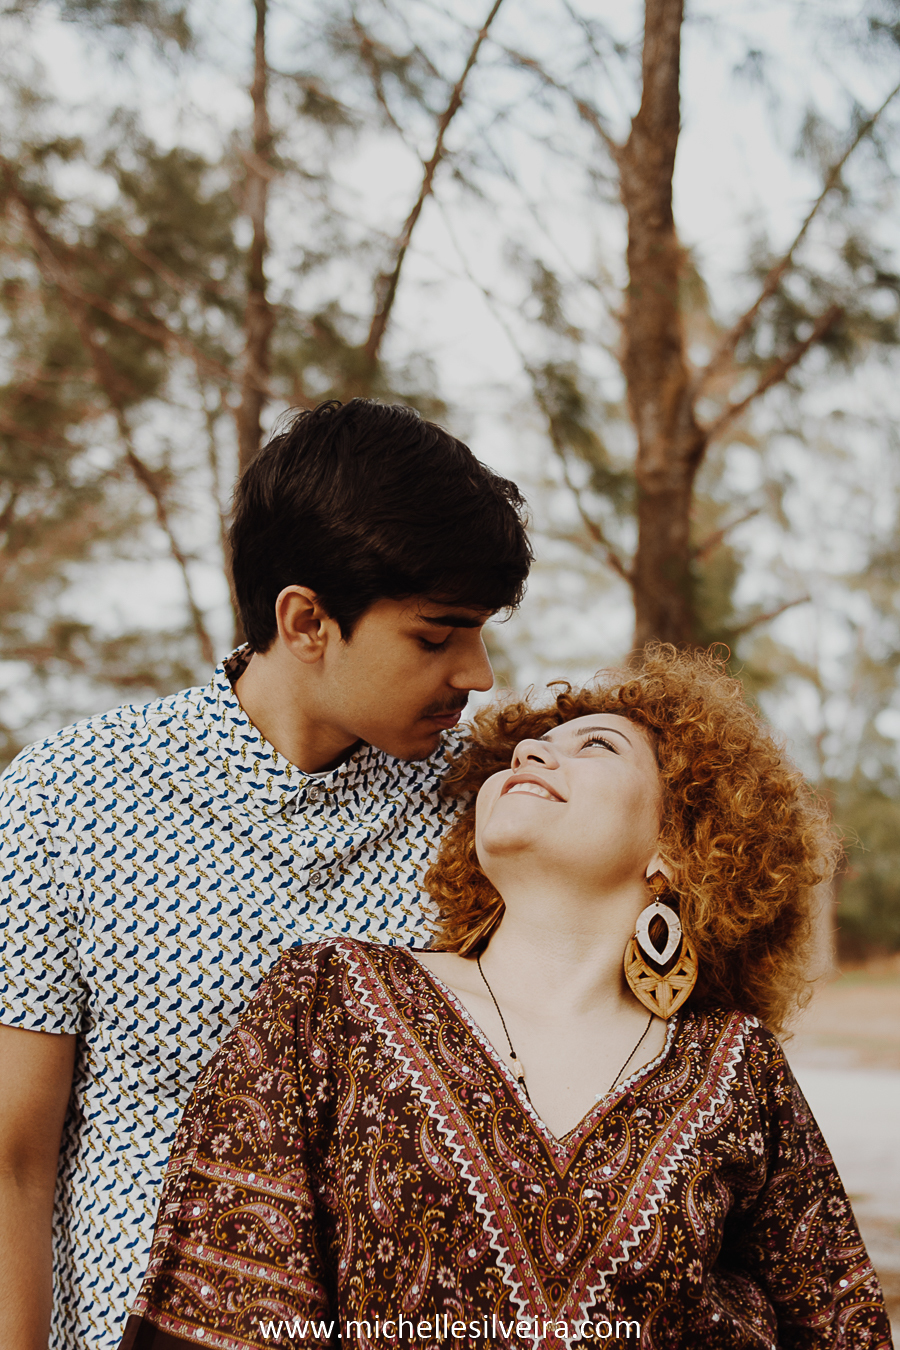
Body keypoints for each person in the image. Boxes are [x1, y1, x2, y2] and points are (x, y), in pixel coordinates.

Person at [120, 646, 892, 1350]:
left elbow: (838, 1325)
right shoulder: (331, 998)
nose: (530, 752)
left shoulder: (734, 1061)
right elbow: (219, 1307)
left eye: (596, 745)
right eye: (528, 748)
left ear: (675, 844)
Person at [0, 398, 532, 1350]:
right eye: (437, 634)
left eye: (481, 630)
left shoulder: (483, 818)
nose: (479, 672)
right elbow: (12, 1161)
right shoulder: (67, 797)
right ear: (306, 619)